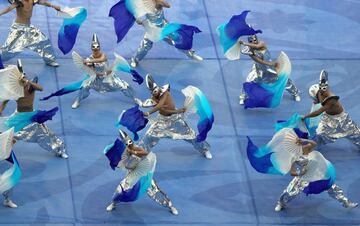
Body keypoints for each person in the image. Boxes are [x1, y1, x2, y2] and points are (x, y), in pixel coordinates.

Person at [0, 60, 68, 159]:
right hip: (18, 116)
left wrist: (27, 82)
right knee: (6, 133)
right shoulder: (15, 91)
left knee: (45, 134)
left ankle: (59, 150)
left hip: (32, 116)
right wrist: (1, 109)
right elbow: (5, 100)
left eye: (24, 78)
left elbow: (41, 88)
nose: (23, 81)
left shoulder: (31, 87)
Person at [136, 74, 212, 159]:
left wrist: (149, 113)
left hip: (175, 119)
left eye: (156, 90)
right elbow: (163, 110)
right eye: (153, 92)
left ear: (158, 88)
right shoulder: (153, 98)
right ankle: (139, 155)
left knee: (190, 135)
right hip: (162, 121)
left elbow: (160, 105)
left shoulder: (166, 93)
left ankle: (204, 149)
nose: (155, 93)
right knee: (149, 136)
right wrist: (141, 105)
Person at [105, 130, 178, 215]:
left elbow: (144, 152)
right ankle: (114, 203)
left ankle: (170, 205)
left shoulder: (137, 148)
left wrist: (134, 152)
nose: (129, 144)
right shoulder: (123, 158)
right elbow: (125, 165)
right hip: (132, 177)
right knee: (120, 190)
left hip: (145, 175)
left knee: (155, 192)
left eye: (129, 142)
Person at [275, 137, 358, 211]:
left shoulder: (306, 148)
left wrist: (304, 140)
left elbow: (314, 143)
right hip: (304, 177)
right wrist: (300, 172)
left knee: (333, 188)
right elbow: (292, 172)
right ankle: (281, 203)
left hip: (320, 174)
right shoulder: (293, 157)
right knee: (290, 192)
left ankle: (346, 203)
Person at [130, 0, 203, 67]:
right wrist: (138, 19)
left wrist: (160, 2)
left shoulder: (159, 3)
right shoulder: (144, 7)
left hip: (164, 28)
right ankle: (135, 59)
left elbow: (168, 5)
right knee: (145, 46)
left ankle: (191, 54)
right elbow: (137, 17)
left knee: (178, 40)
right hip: (151, 30)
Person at [71, 34, 135, 109]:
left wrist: (89, 61)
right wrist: (88, 65)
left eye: (97, 47)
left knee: (124, 86)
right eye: (94, 47)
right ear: (91, 48)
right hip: (97, 79)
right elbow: (92, 72)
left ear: (99, 47)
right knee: (84, 86)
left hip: (109, 78)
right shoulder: (89, 59)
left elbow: (102, 60)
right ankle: (77, 100)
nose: (96, 49)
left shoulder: (103, 55)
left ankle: (135, 99)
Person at [302, 70, 360, 149]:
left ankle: (308, 147)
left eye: (315, 98)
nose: (315, 100)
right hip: (328, 117)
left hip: (342, 121)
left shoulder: (331, 100)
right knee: (320, 135)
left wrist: (305, 116)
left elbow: (318, 112)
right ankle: (307, 149)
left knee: (355, 134)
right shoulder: (321, 91)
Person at [238, 35, 300, 105]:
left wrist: (243, 43)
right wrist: (270, 64)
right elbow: (259, 61)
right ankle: (242, 97)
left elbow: (257, 46)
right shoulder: (250, 51)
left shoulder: (261, 43)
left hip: (270, 69)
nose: (253, 42)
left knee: (284, 80)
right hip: (259, 69)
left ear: (257, 39)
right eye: (251, 41)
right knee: (249, 81)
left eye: (254, 40)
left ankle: (295, 93)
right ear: (249, 41)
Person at [0, 0, 61, 67]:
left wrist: (53, 5)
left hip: (29, 28)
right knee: (8, 50)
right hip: (18, 29)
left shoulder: (33, 0)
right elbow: (9, 8)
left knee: (44, 41)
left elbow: (44, 2)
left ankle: (50, 60)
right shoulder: (19, 2)